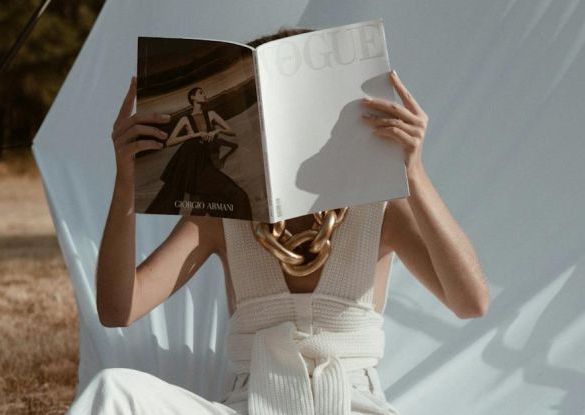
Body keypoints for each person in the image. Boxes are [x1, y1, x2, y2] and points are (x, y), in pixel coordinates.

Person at [70, 27, 489, 415]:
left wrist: (414, 172)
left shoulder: (377, 208)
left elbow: (471, 302)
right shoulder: (221, 213)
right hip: (250, 404)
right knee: (113, 391)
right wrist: (125, 181)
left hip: (352, 404)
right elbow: (118, 309)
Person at [145, 86, 252, 219]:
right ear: (192, 98)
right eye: (200, 92)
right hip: (187, 160)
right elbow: (169, 142)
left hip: (203, 164)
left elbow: (231, 132)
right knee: (176, 198)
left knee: (234, 196)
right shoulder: (185, 119)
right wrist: (193, 135)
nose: (204, 94)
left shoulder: (211, 114)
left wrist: (217, 131)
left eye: (204, 92)